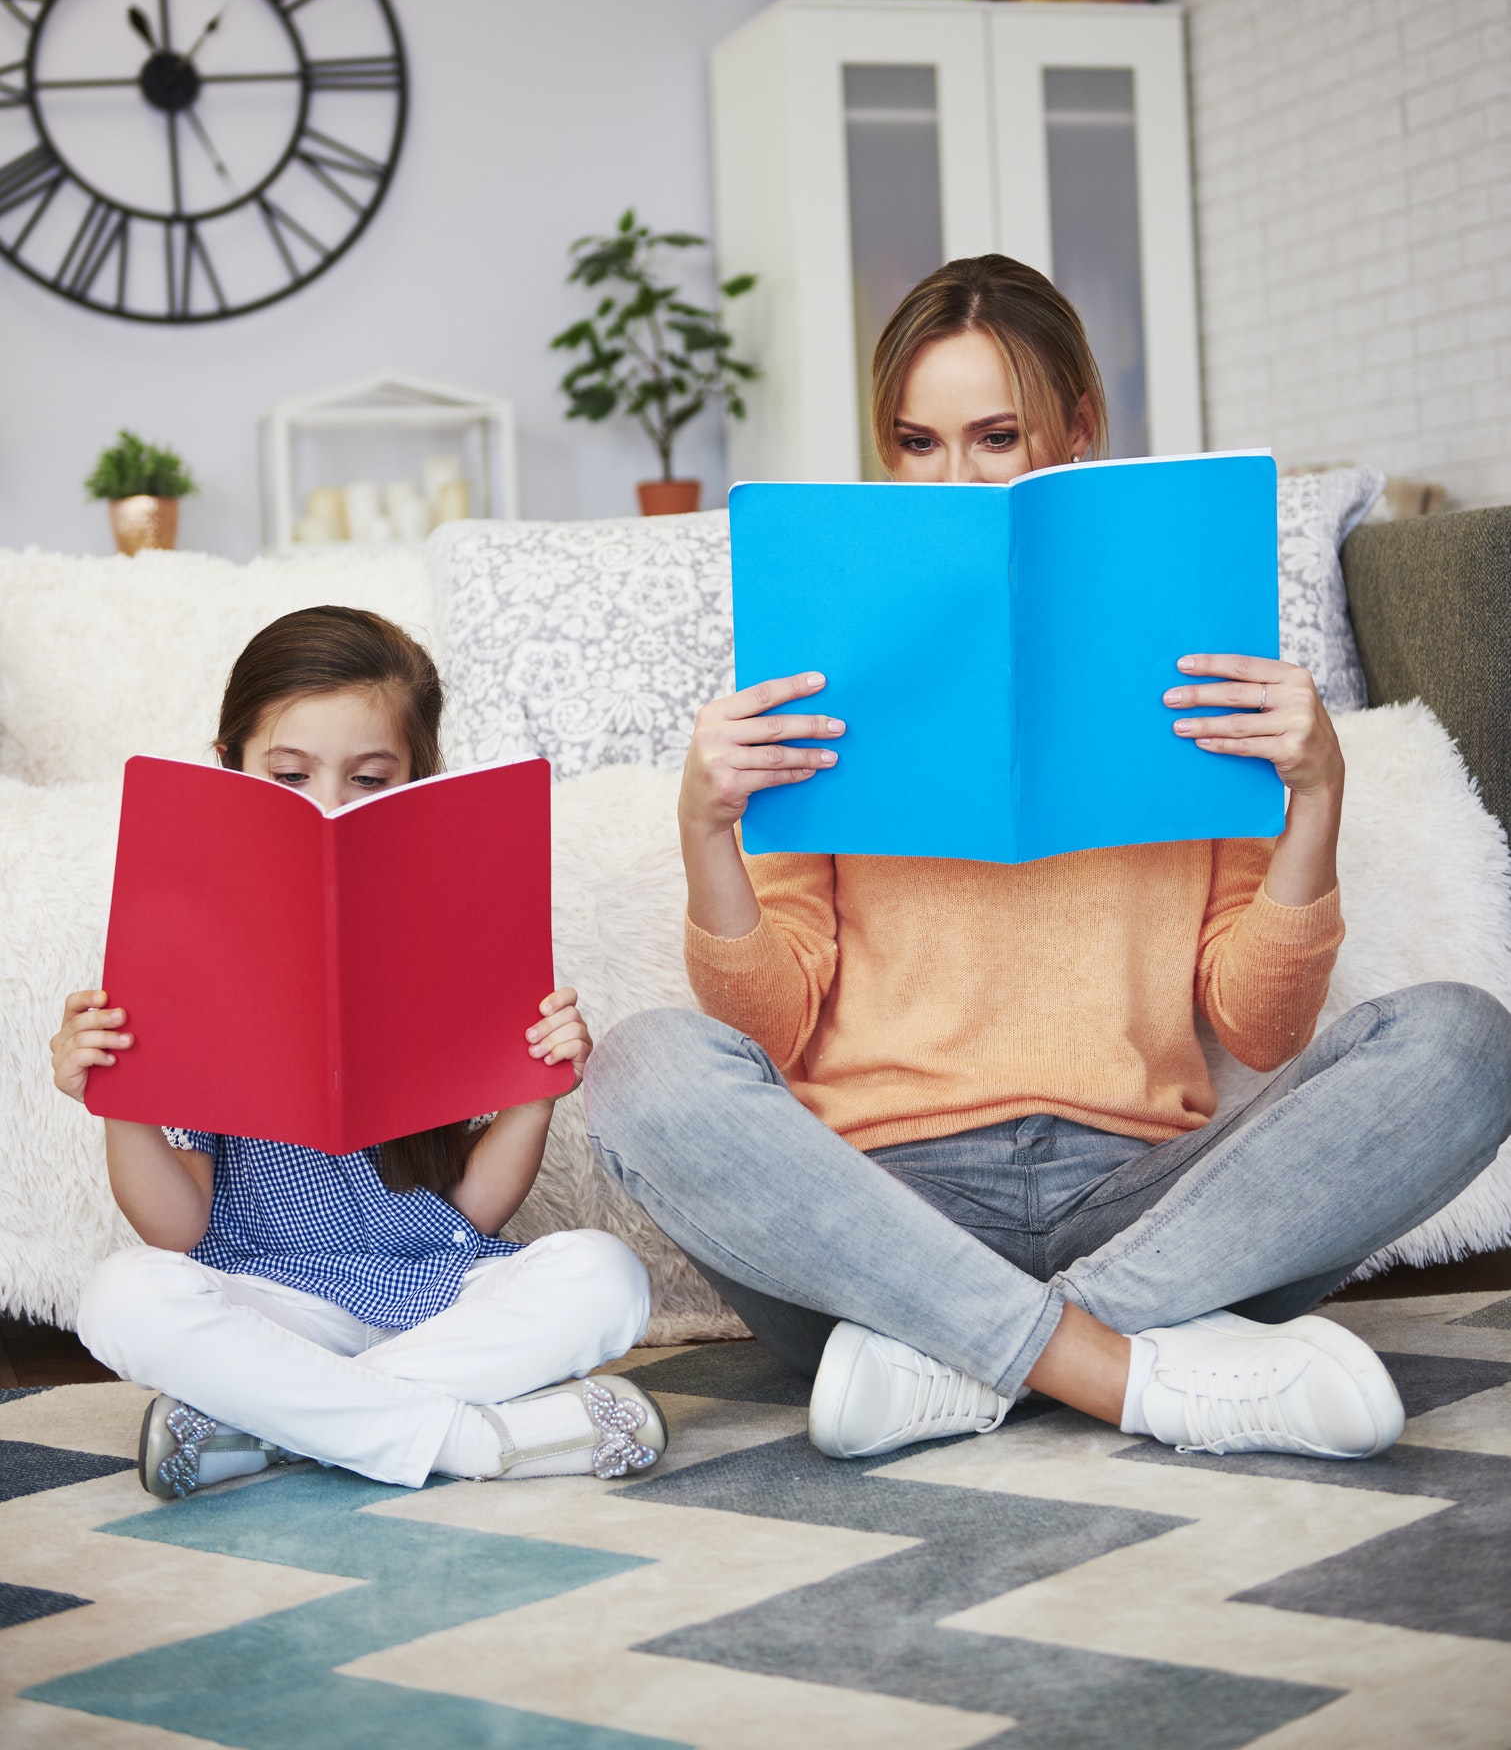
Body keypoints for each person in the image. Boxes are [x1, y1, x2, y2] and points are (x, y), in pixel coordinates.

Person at [584, 254, 1511, 1465]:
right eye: (916, 442)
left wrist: (1315, 794)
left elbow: (1261, 1024)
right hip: (875, 1218)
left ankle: (964, 1362)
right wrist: (708, 827)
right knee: (643, 1066)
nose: (953, 477)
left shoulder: (1182, 660)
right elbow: (768, 1026)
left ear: (1074, 434)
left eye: (995, 436)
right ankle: (1123, 1370)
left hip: (1152, 1203)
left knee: (1462, 1039)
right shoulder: (823, 672)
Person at [56, 606, 663, 1501]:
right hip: (273, 1306)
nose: (330, 807)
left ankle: (269, 1426)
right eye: (291, 775)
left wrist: (535, 1092)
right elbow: (177, 1230)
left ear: (420, 780)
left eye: (370, 779)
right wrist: (124, 1098)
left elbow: (470, 1211)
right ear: (228, 770)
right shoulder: (186, 959)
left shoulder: (455, 936)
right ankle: (475, 1439)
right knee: (119, 1295)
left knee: (606, 1278)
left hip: (443, 1294)